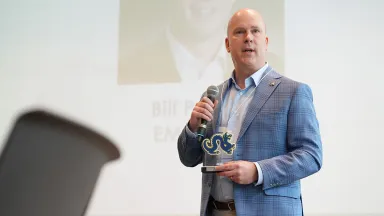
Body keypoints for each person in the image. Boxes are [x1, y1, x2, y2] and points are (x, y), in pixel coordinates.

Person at [177, 8, 322, 216]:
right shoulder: (214, 95)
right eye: (239, 32)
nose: (248, 38)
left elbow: (311, 156)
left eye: (255, 31)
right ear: (227, 44)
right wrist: (192, 127)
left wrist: (257, 171)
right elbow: (188, 157)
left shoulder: (294, 92)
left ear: (266, 41)